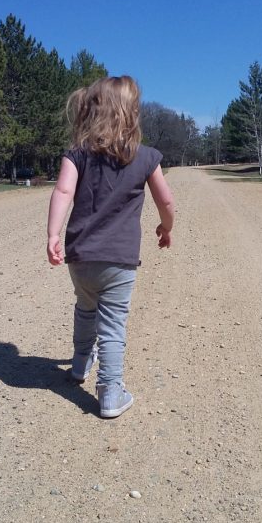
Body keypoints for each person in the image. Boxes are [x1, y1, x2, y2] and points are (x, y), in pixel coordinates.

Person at [47, 75, 175, 419]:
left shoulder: (77, 154)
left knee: (85, 308)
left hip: (81, 258)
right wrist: (166, 226)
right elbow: (166, 200)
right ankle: (110, 392)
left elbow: (62, 192)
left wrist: (53, 234)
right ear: (132, 113)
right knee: (113, 325)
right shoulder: (146, 157)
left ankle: (78, 364)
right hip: (118, 261)